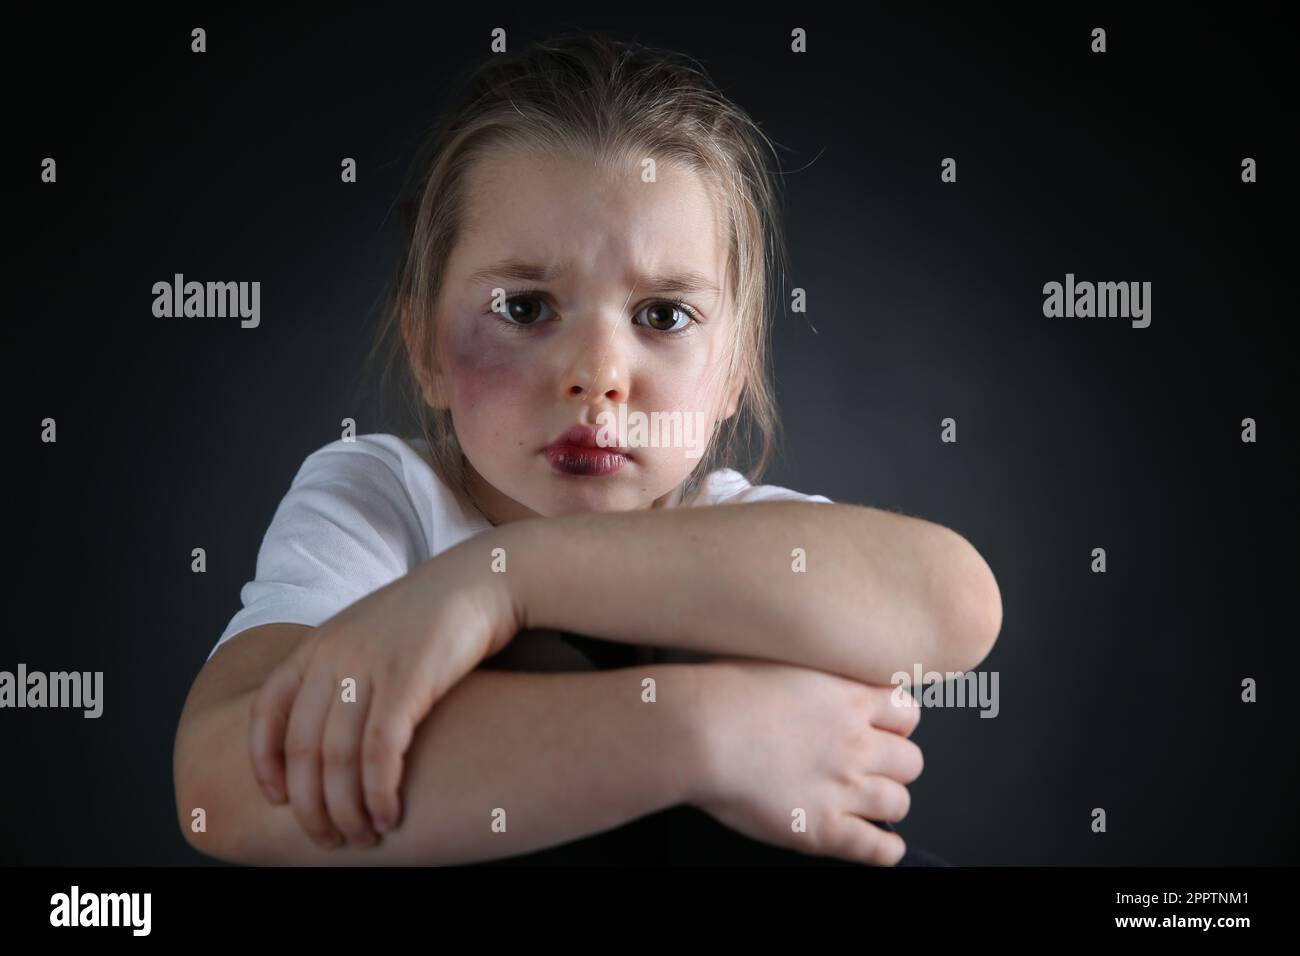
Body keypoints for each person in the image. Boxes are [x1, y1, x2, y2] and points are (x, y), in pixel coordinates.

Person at [173, 32, 1000, 867]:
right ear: (425, 342)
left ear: (734, 374)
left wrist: (501, 585)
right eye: (526, 308)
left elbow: (957, 606)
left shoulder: (729, 534)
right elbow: (223, 790)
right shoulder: (386, 501)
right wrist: (706, 732)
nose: (598, 378)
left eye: (664, 316)